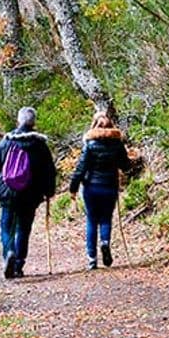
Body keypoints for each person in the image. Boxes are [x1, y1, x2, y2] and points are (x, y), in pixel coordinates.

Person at [0, 106, 57, 279]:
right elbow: (50, 171)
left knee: (6, 227)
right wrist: (49, 191)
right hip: (31, 194)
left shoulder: (6, 141)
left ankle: (9, 252)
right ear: (34, 123)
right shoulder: (40, 145)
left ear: (19, 121)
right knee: (24, 229)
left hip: (8, 192)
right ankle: (18, 265)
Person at [68, 110, 132, 270]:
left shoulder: (89, 144)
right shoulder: (117, 144)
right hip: (110, 185)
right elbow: (126, 165)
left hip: (91, 187)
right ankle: (105, 242)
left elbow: (81, 167)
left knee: (91, 220)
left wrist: (73, 187)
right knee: (106, 219)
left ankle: (92, 258)